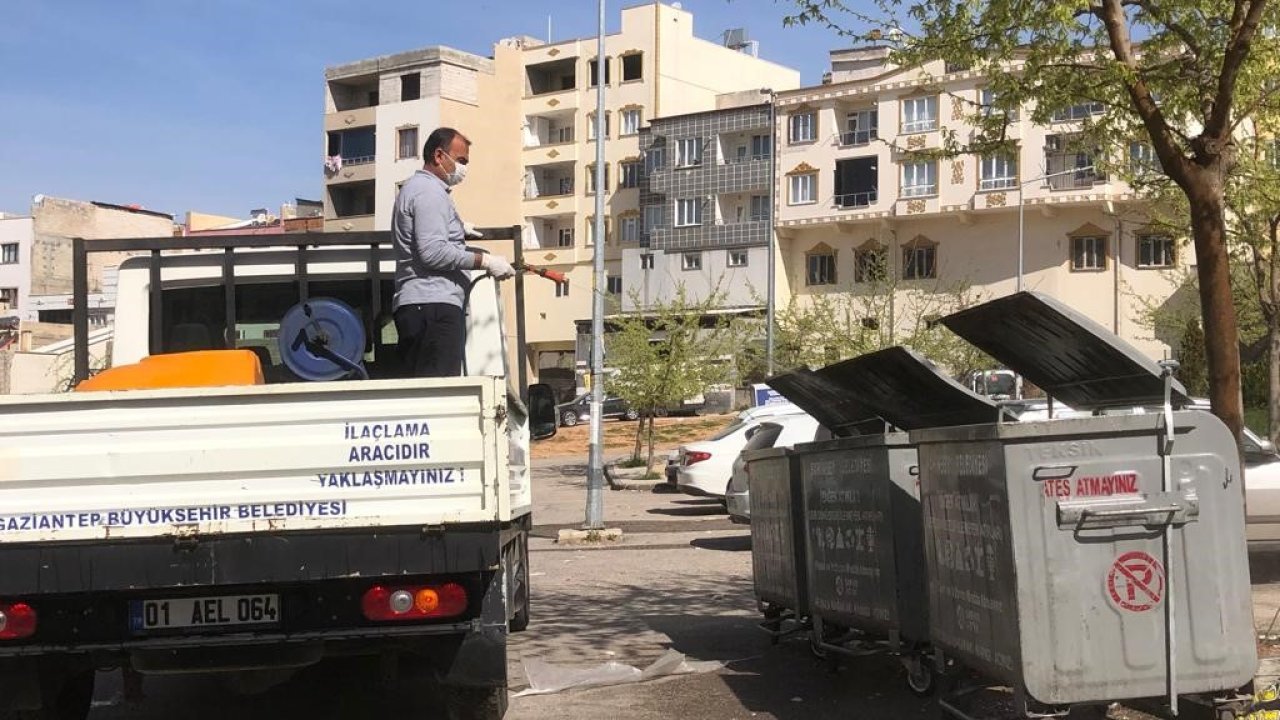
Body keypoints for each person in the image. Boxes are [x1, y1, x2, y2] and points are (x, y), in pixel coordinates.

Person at [392, 127, 516, 377]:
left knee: (427, 385)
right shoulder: (429, 192)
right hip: (433, 307)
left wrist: (457, 228)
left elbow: (428, 237)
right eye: (461, 161)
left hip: (424, 306)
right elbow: (433, 252)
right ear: (439, 156)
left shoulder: (420, 189)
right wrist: (485, 261)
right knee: (438, 390)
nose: (463, 168)